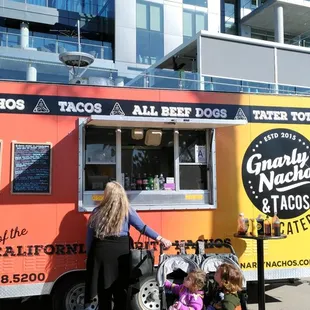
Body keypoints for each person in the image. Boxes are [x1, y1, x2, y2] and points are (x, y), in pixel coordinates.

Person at [84, 181, 172, 310]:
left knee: (104, 293)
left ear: (107, 194)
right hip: (121, 254)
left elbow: (89, 238)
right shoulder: (127, 210)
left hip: (100, 253)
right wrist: (160, 238)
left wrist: (89, 256)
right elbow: (142, 227)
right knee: (121, 291)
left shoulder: (97, 211)